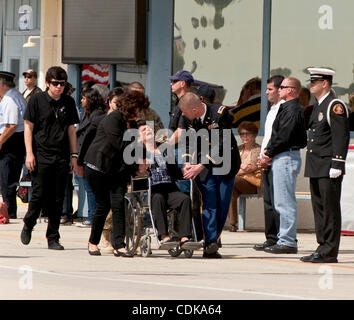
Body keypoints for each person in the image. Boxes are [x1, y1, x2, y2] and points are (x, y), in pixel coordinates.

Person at [20, 66, 79, 250]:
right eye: (55, 84)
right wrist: (29, 153)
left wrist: (74, 155)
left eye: (62, 84)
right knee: (38, 195)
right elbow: (28, 127)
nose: (59, 87)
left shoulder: (68, 102)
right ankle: (29, 223)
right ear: (47, 83)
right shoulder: (36, 100)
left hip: (61, 156)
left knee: (57, 198)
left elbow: (71, 130)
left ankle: (53, 236)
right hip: (40, 155)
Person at [84, 90, 147, 257]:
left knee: (119, 205)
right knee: (103, 206)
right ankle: (93, 242)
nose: (140, 113)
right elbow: (120, 145)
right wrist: (139, 139)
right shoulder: (113, 119)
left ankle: (119, 245)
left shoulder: (132, 123)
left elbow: (134, 148)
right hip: (98, 167)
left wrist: (141, 160)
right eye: (139, 109)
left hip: (117, 170)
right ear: (131, 107)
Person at [178, 92, 241, 258]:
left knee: (222, 204)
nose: (182, 115)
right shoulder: (187, 117)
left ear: (195, 108)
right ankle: (210, 243)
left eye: (185, 112)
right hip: (203, 167)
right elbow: (187, 141)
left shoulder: (221, 114)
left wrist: (200, 165)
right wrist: (187, 163)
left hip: (225, 164)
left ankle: (213, 239)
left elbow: (222, 143)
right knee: (209, 202)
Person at [301, 68, 350, 264]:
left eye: (314, 82)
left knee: (329, 208)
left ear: (325, 83)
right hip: (316, 165)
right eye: (310, 82)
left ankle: (330, 251)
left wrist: (337, 162)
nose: (310, 85)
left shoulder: (334, 105)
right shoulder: (318, 106)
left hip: (329, 165)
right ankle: (322, 246)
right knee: (319, 208)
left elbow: (341, 136)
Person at [137, 122, 200, 250]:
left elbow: (175, 172)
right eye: (144, 130)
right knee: (158, 198)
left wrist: (185, 170)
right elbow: (137, 172)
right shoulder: (139, 151)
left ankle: (185, 237)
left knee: (184, 199)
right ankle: (164, 236)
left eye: (149, 128)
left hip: (169, 187)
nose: (148, 130)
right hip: (151, 189)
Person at [262, 77, 307, 254]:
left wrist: (268, 153)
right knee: (280, 201)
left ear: (291, 90)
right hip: (282, 156)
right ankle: (283, 238)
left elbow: (284, 136)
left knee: (284, 202)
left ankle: (287, 241)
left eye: (282, 87)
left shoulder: (292, 109)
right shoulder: (285, 108)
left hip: (285, 156)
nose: (278, 90)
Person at [253, 75, 284, 251]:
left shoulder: (283, 109)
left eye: (270, 89)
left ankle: (282, 238)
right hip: (267, 159)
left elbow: (279, 137)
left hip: (276, 159)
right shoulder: (272, 109)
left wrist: (268, 156)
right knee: (269, 201)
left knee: (279, 202)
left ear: (280, 90)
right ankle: (271, 237)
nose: (266, 92)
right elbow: (268, 137)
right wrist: (262, 156)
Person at [74, 87, 107, 227]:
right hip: (85, 157)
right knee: (88, 189)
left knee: (91, 190)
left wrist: (80, 160)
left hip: (90, 158)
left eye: (83, 98)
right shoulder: (87, 114)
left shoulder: (96, 116)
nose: (81, 101)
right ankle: (91, 215)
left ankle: (92, 217)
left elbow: (87, 139)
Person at [0, 71, 26, 219]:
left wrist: (0, 141)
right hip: (13, 139)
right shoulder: (13, 96)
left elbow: (11, 125)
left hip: (11, 141)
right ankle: (9, 209)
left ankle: (8, 210)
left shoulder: (10, 99)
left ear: (2, 84)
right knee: (8, 177)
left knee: (7, 177)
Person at [227, 121, 261, 232]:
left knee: (231, 179)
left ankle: (232, 223)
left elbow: (251, 167)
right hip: (238, 182)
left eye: (247, 133)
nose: (244, 136)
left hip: (254, 183)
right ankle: (233, 223)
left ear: (254, 134)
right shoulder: (238, 149)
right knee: (229, 188)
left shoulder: (258, 149)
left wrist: (236, 170)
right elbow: (231, 166)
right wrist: (240, 169)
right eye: (242, 134)